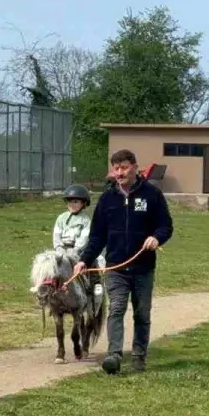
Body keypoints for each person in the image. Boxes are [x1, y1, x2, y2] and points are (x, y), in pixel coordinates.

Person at [75, 149, 174, 375]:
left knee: (142, 313)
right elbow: (97, 236)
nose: (119, 173)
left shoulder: (152, 195)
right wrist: (84, 260)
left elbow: (166, 225)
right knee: (116, 309)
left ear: (135, 167)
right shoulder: (107, 199)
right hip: (116, 267)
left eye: (124, 168)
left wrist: (156, 237)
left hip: (143, 267)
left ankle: (139, 356)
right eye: (116, 169)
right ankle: (114, 356)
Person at [50, 184, 105, 301]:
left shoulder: (85, 220)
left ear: (83, 203)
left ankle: (96, 284)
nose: (72, 205)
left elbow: (84, 238)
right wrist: (59, 248)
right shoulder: (61, 218)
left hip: (78, 250)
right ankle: (48, 288)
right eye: (70, 202)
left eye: (76, 202)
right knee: (49, 265)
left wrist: (75, 250)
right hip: (61, 249)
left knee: (93, 260)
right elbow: (56, 235)